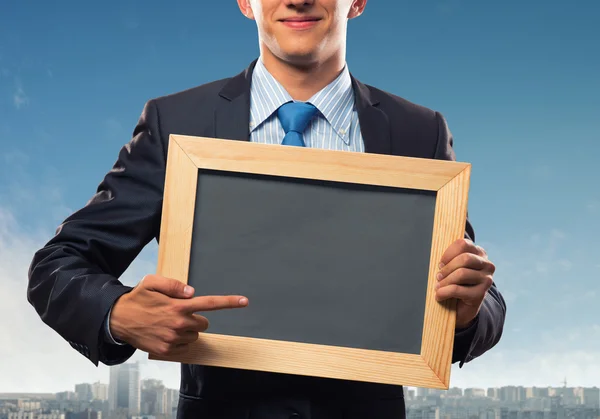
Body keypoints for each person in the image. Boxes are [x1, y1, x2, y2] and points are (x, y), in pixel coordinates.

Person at [27, 0, 506, 418]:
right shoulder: (176, 122)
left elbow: (480, 298)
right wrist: (117, 312)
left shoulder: (417, 132)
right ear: (244, 1)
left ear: (357, 1)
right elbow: (56, 266)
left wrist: (465, 312)